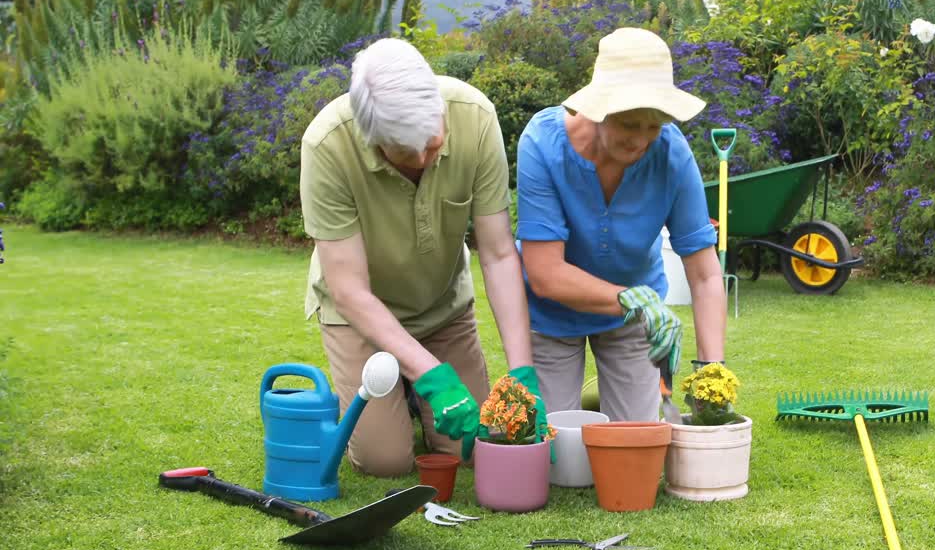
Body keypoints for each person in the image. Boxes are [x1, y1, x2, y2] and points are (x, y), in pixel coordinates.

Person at [299, 37, 548, 477]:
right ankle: (405, 388)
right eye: (404, 153)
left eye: (432, 146)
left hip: (441, 307)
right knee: (386, 462)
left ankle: (410, 390)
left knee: (468, 447)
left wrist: (522, 371)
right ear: (370, 135)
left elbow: (497, 254)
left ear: (439, 108)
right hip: (359, 314)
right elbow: (349, 290)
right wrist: (432, 375)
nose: (421, 159)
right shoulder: (326, 146)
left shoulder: (474, 117)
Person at [516, 27, 728, 422]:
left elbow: (703, 274)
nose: (641, 141)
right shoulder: (542, 144)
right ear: (599, 109)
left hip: (634, 316)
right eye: (631, 124)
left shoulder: (671, 153)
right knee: (557, 450)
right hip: (552, 311)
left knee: (636, 440)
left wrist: (710, 370)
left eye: (655, 126)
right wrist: (632, 299)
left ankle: (617, 396)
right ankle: (592, 398)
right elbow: (544, 274)